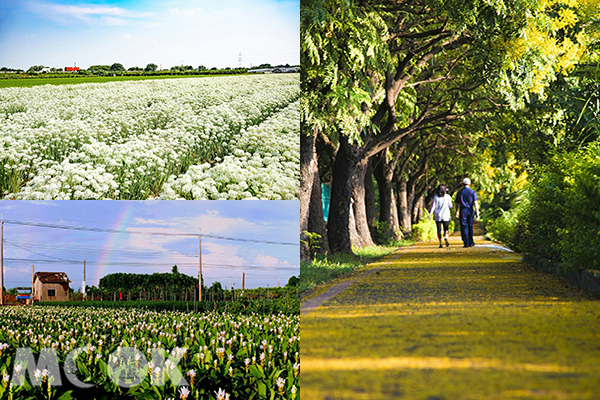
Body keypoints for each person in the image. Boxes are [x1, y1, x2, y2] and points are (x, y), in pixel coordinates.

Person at [455, 178, 480, 247]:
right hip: (470, 210)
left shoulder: (459, 193)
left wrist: (456, 211)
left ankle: (466, 242)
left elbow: (457, 203)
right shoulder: (472, 192)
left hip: (462, 211)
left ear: (462, 184)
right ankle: (471, 242)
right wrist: (477, 213)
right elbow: (475, 203)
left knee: (464, 226)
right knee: (470, 226)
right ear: (469, 184)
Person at [430, 184, 453, 248]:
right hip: (446, 215)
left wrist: (430, 214)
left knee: (439, 230)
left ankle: (440, 243)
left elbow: (433, 206)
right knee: (446, 228)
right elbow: (450, 206)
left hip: (438, 216)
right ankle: (446, 237)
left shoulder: (435, 197)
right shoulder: (448, 197)